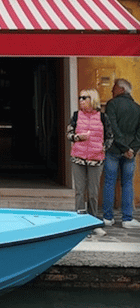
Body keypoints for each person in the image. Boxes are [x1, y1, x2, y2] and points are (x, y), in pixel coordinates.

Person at [66, 89, 112, 236]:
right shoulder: (76, 116)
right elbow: (69, 134)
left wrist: (102, 148)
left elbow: (110, 136)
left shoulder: (103, 117)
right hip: (78, 157)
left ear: (93, 99)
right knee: (80, 191)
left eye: (84, 98)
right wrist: (78, 137)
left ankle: (93, 222)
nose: (81, 100)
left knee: (93, 192)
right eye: (79, 97)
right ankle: (79, 222)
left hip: (95, 159)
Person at [102, 79, 140, 229]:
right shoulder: (138, 108)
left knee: (110, 182)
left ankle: (107, 217)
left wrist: (124, 148)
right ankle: (127, 219)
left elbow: (112, 128)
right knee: (127, 183)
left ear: (122, 90)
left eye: (114, 88)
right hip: (130, 152)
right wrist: (132, 149)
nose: (112, 90)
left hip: (114, 150)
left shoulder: (112, 104)